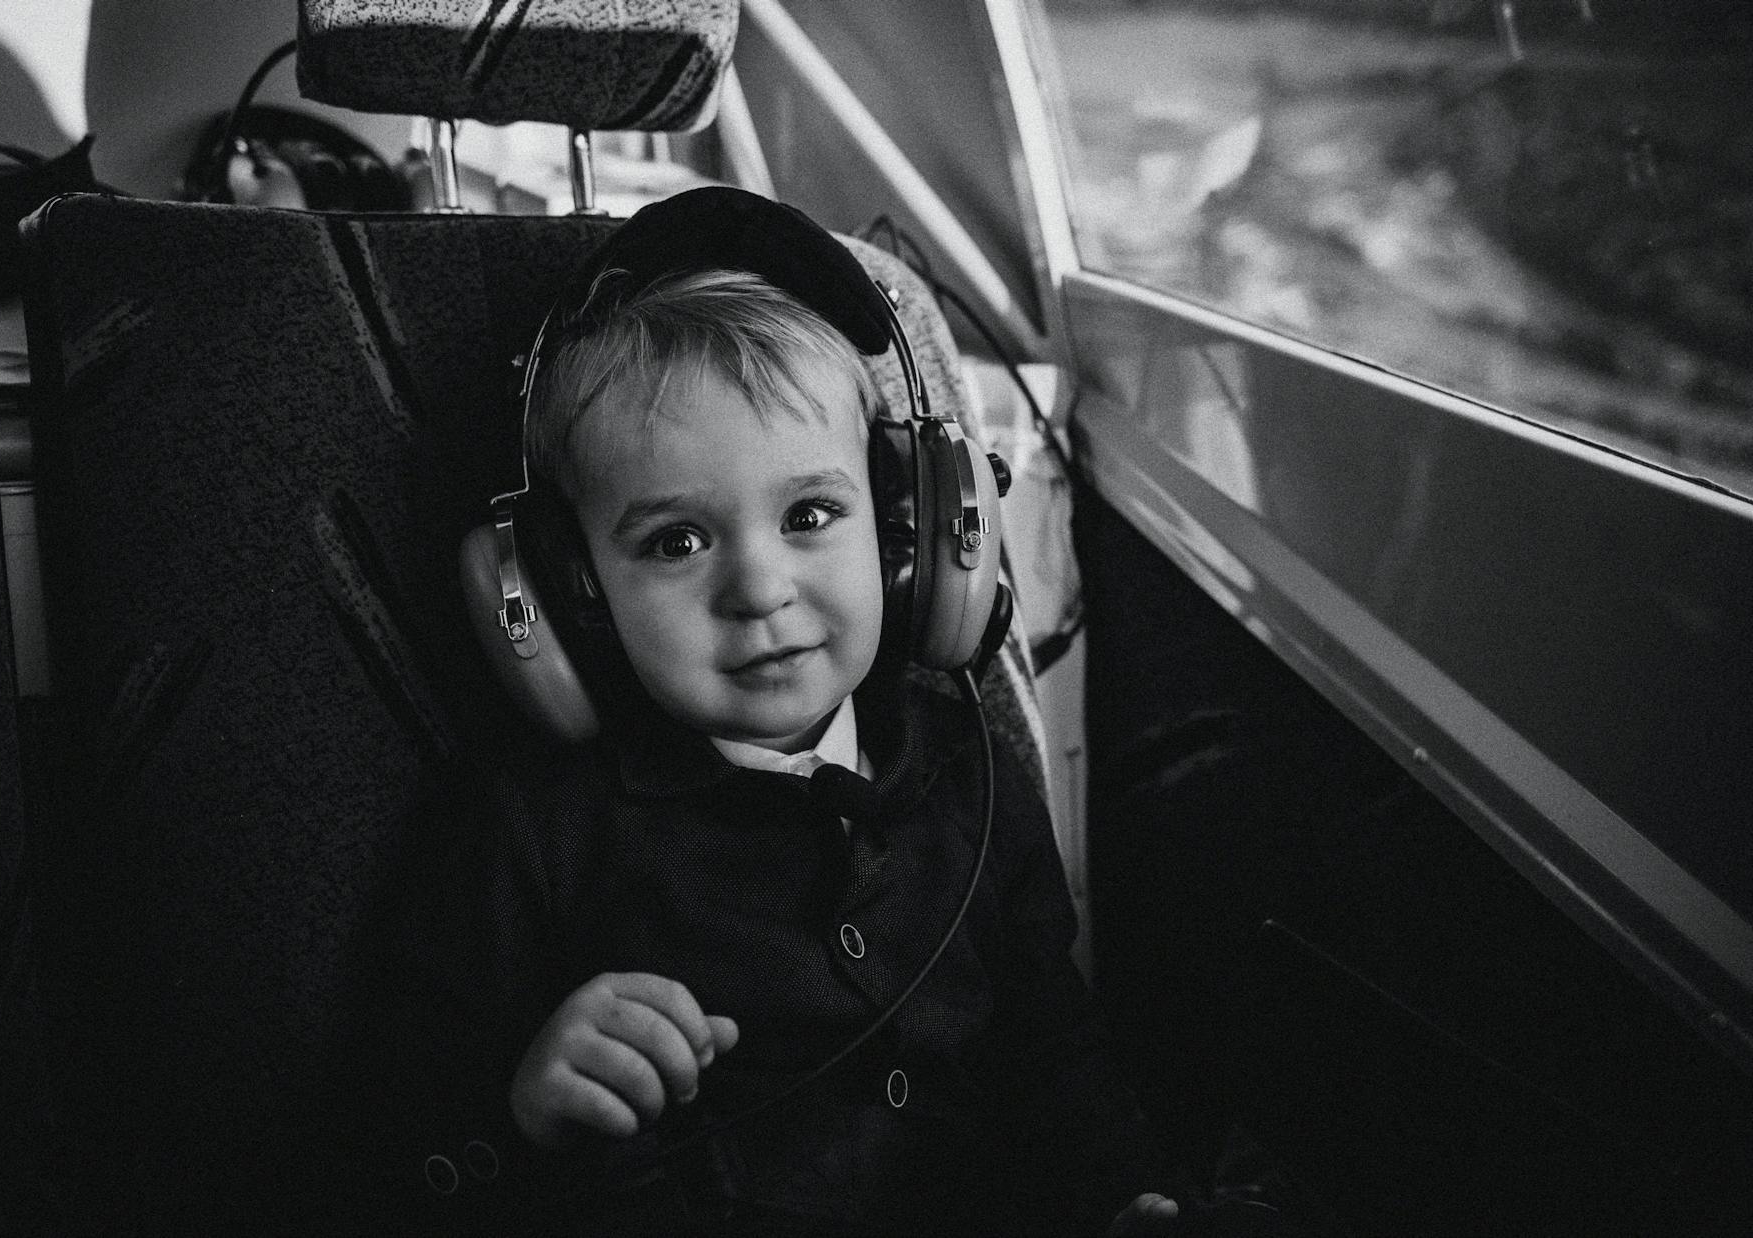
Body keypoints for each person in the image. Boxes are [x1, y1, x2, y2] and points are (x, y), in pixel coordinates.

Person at [382, 188, 1187, 1237]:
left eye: (810, 513)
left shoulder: (965, 769)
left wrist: (1120, 1194)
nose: (759, 587)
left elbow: (1049, 1040)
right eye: (674, 541)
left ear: (907, 533)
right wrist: (524, 1102)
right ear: (567, 594)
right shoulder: (530, 833)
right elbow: (395, 1138)